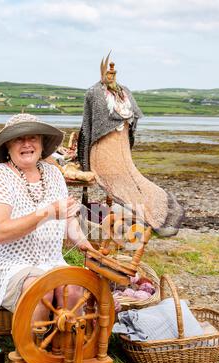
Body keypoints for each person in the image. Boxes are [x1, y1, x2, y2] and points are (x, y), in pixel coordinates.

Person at [0, 113, 92, 363]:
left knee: (74, 289)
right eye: (19, 138)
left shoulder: (53, 174)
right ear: (9, 146)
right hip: (6, 263)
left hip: (49, 259)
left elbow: (69, 223)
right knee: (40, 287)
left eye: (33, 137)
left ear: (42, 143)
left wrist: (85, 245)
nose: (27, 143)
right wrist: (45, 213)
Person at [77, 54, 184, 236]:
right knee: (116, 185)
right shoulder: (94, 93)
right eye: (108, 73)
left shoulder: (125, 92)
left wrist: (128, 144)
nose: (111, 75)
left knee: (135, 182)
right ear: (104, 73)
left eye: (114, 73)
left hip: (122, 148)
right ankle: (132, 219)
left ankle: (159, 214)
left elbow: (132, 123)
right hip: (102, 150)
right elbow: (87, 126)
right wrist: (84, 159)